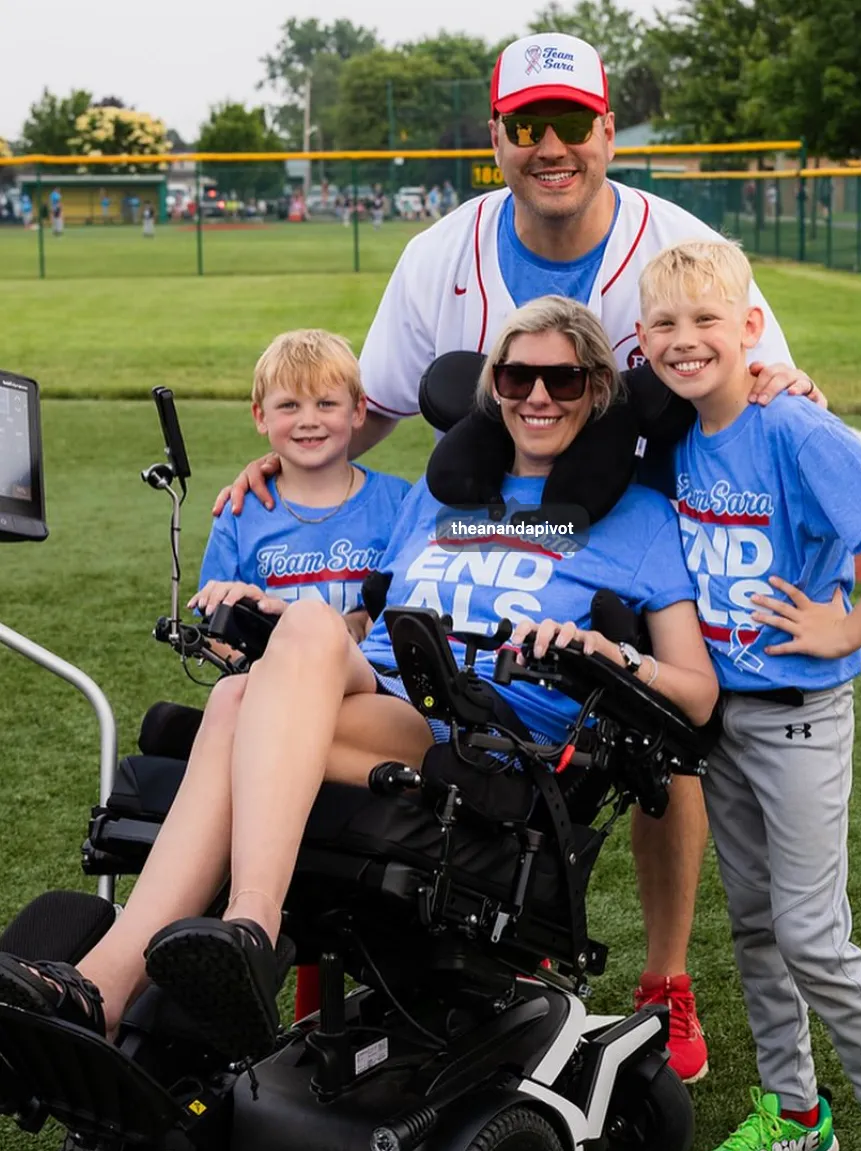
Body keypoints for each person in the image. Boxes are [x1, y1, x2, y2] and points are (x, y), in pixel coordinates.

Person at [215, 31, 827, 1085]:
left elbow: (756, 373)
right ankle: (410, 935)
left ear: (607, 131)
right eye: (527, 124)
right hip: (512, 509)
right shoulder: (440, 255)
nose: (551, 146)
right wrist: (293, 458)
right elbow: (384, 402)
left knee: (660, 745)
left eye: (572, 123)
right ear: (496, 136)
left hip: (659, 499)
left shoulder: (675, 241)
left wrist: (787, 391)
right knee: (420, 681)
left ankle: (666, 978)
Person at [0, 298, 718, 1068]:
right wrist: (276, 614)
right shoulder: (437, 497)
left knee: (239, 701)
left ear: (597, 390)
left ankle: (120, 979)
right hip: (378, 687)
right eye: (516, 377)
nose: (536, 397)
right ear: (493, 388)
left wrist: (613, 654)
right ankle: (216, 941)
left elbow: (698, 693)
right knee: (291, 639)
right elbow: (360, 628)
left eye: (563, 380)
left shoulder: (639, 519)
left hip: (474, 733)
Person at [635, 239, 861, 1151]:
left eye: (706, 319)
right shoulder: (677, 433)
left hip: (799, 715)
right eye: (664, 323)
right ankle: (796, 1112)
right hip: (723, 719)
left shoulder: (791, 424)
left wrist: (849, 626)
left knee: (815, 936)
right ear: (642, 339)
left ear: (748, 328)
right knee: (756, 925)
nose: (684, 339)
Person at [193, 329, 410, 645]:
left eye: (326, 403)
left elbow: (413, 606)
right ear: (260, 416)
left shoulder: (400, 502)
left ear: (358, 411)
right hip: (272, 673)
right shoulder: (240, 513)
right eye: (289, 405)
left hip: (372, 673)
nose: (308, 420)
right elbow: (215, 629)